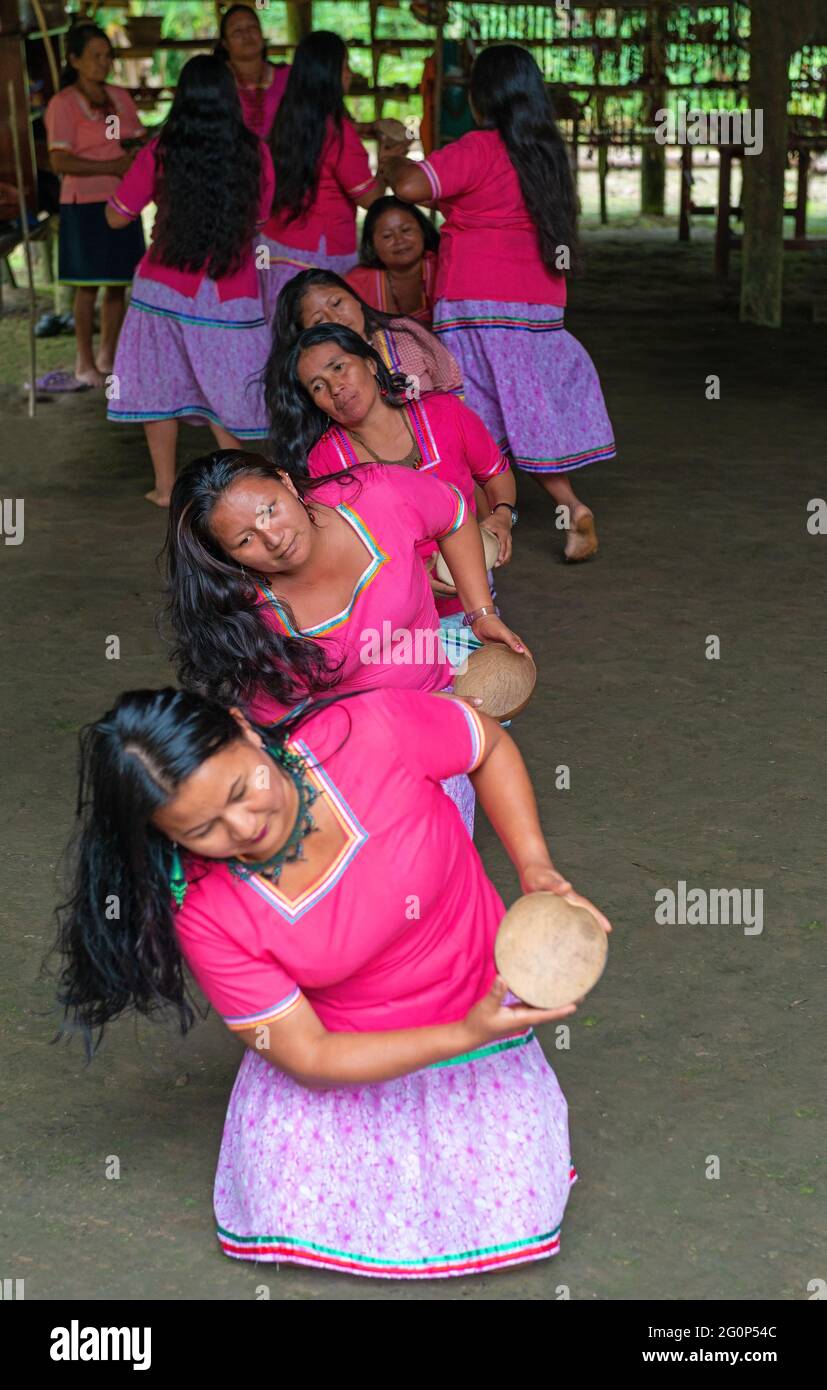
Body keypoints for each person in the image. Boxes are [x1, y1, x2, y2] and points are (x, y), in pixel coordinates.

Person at [53, 683, 611, 1277]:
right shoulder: (203, 911)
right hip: (349, 1058)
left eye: (242, 790)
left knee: (511, 1206)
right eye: (201, 831)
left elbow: (488, 746)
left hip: (471, 996)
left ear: (245, 729)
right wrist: (465, 1034)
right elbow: (312, 1055)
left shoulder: (372, 730)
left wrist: (534, 865)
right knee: (301, 1208)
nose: (242, 827)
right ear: (167, 837)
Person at [164, 450, 526, 832]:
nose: (273, 538)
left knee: (443, 856)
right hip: (342, 766)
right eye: (245, 540)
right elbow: (290, 738)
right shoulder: (247, 618)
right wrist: (399, 719)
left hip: (440, 720)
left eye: (269, 510)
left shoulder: (375, 497)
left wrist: (480, 614)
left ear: (286, 482)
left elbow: (452, 515)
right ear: (226, 557)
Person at [382, 44, 616, 562]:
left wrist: (395, 154)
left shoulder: (480, 147)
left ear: (484, 95)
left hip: (477, 298)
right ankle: (504, 516)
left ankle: (544, 513)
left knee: (478, 411)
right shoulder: (545, 149)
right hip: (539, 298)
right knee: (517, 404)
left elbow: (411, 185)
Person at [265, 323, 517, 644]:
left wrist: (503, 515)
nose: (335, 388)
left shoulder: (443, 412)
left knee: (484, 684)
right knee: (429, 689)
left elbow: (494, 472)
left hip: (475, 596)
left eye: (339, 367)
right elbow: (338, 554)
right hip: (395, 617)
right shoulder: (326, 460)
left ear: (370, 363)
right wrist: (412, 577)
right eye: (318, 386)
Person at [105, 56, 274, 507]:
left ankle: (165, 487)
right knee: (227, 391)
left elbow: (116, 217)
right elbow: (262, 216)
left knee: (157, 384)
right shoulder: (254, 151)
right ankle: (237, 487)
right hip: (230, 292)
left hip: (163, 285)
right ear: (230, 97)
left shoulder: (161, 149)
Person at [44, 22, 146, 389]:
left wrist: (134, 152)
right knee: (87, 285)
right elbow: (59, 161)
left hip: (121, 200)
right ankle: (84, 361)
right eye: (94, 56)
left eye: (107, 56)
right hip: (82, 202)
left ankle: (108, 356)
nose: (103, 63)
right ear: (74, 60)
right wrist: (110, 166)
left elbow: (132, 139)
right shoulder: (63, 104)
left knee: (117, 282)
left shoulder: (118, 98)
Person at [260, 31, 383, 325]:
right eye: (345, 66)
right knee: (322, 342)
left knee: (284, 339)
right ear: (328, 74)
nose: (350, 74)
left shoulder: (286, 120)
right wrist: (388, 166)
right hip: (321, 253)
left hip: (276, 246)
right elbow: (370, 199)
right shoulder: (338, 131)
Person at [275, 268, 463, 397]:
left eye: (337, 303)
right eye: (319, 320)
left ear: (355, 298)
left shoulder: (404, 333)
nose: (335, 318)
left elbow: (451, 383)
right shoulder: (316, 379)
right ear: (306, 336)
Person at [346, 195, 440, 327]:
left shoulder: (444, 269)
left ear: (422, 230)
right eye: (387, 236)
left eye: (406, 230)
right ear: (372, 244)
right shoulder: (357, 284)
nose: (399, 240)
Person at [213, 4, 290, 139]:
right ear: (225, 43)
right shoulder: (213, 80)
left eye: (252, 27)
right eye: (237, 31)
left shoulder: (289, 76)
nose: (247, 34)